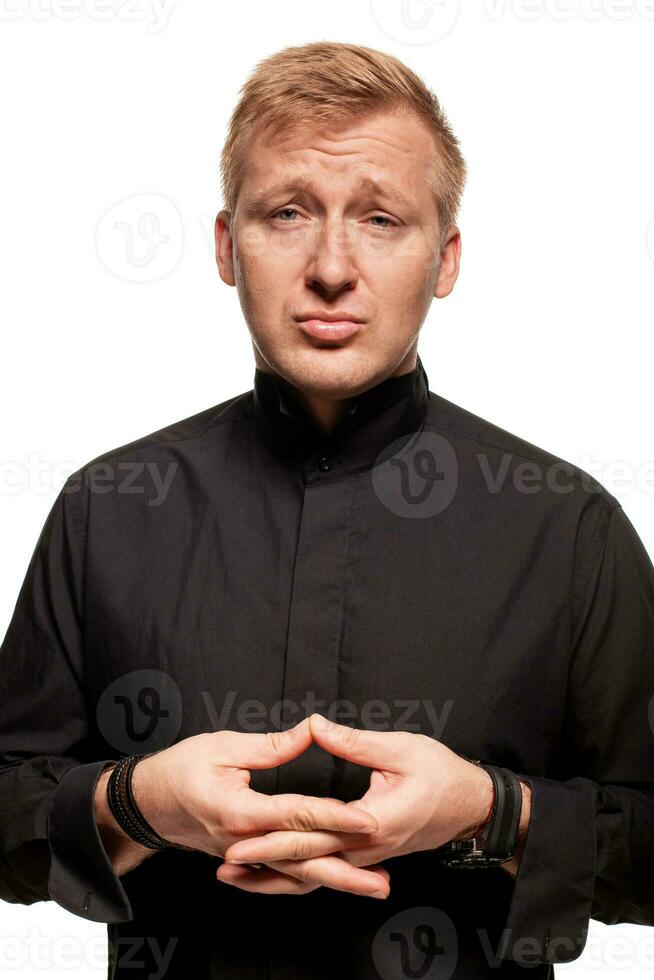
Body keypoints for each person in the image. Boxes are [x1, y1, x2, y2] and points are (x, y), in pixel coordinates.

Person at [1, 40, 653, 980]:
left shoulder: (567, 528)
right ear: (228, 246)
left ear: (445, 258)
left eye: (382, 218)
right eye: (287, 214)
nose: (332, 268)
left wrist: (489, 810)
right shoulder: (104, 510)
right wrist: (136, 803)